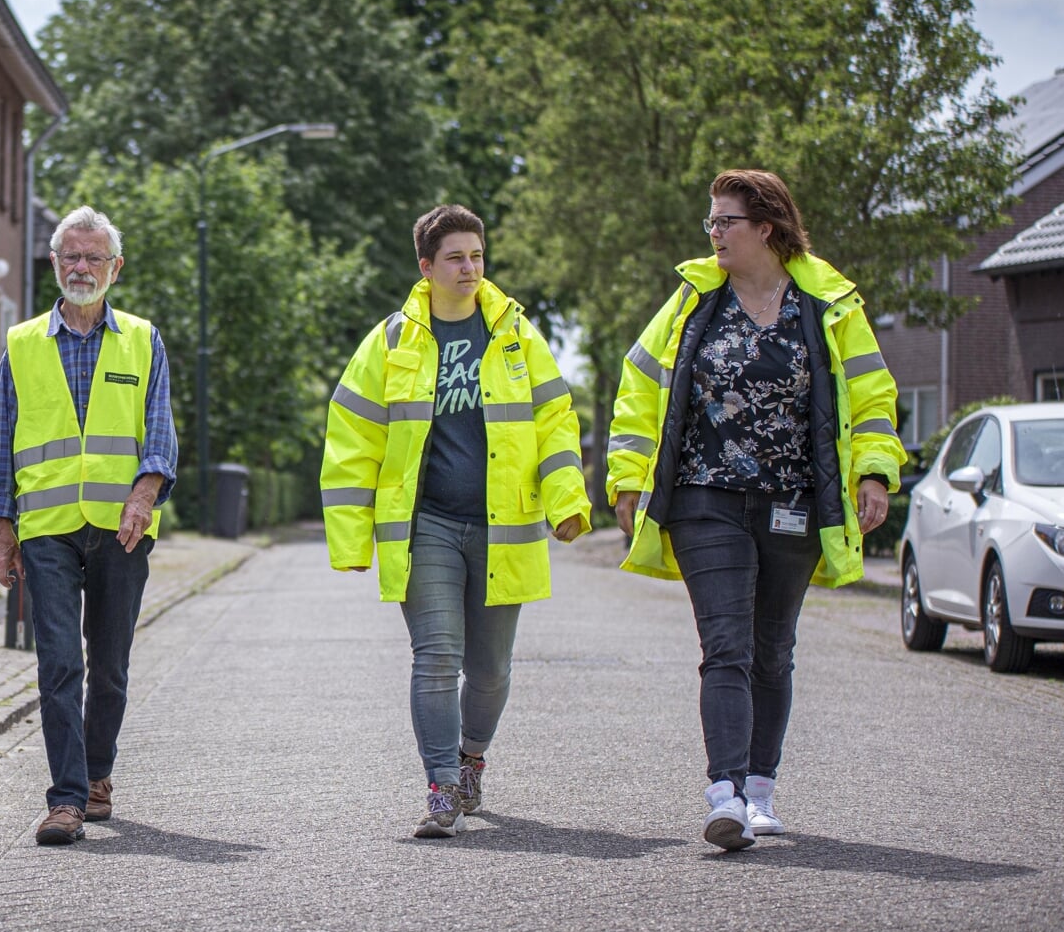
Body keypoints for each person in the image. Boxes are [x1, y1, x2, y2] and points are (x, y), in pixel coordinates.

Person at [608, 169, 903, 851]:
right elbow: (638, 386)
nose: (712, 234)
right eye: (709, 223)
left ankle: (760, 789)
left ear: (764, 227)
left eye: (723, 222)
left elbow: (870, 396)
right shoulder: (692, 302)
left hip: (793, 502)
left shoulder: (826, 305)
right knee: (725, 648)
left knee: (772, 650)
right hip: (702, 499)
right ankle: (725, 794)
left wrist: (875, 472)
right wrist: (627, 478)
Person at [322, 205, 590, 839]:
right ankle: (441, 786)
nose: (470, 268)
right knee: (436, 656)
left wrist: (567, 500)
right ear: (426, 267)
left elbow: (553, 421)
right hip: (428, 526)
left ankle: (472, 761)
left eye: (477, 255)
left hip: (507, 527)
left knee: (491, 668)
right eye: (455, 257)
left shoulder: (516, 335)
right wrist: (351, 536)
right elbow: (352, 437)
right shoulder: (391, 342)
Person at [0, 206, 176, 846]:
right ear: (54, 263)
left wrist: (144, 497)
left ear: (115, 268)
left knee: (111, 665)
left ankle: (98, 775)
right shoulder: (20, 344)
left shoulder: (144, 340)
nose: (82, 267)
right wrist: (0, 527)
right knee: (59, 662)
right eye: (72, 256)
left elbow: (159, 434)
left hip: (122, 528)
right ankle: (65, 798)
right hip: (47, 528)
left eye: (95, 257)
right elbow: (0, 441)